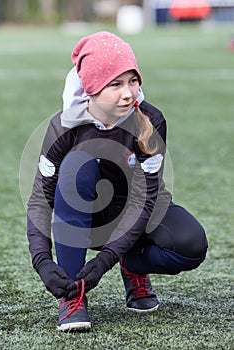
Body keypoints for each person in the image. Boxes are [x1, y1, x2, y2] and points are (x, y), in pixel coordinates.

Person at [27, 31, 208, 332]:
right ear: (92, 90)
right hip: (89, 213)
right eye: (116, 84)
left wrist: (107, 260)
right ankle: (73, 294)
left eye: (133, 81)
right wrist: (42, 261)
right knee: (76, 164)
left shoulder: (151, 121)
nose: (129, 93)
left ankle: (132, 264)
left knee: (191, 245)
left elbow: (144, 200)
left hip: (138, 209)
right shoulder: (64, 126)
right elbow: (39, 198)